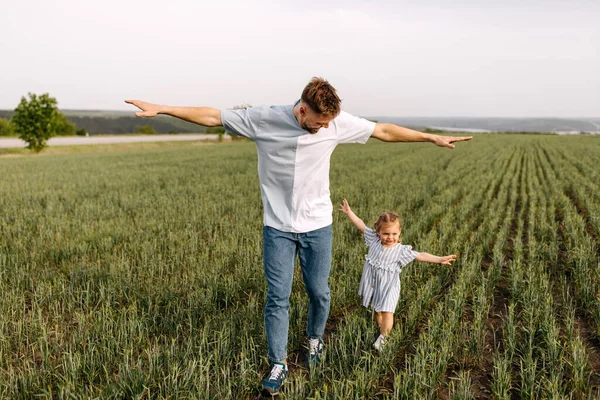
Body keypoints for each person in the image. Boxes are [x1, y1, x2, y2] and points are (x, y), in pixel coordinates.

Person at [125, 77, 471, 396]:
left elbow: (382, 130)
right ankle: (278, 363)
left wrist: (430, 137)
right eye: (319, 122)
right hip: (277, 228)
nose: (324, 128)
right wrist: (164, 108)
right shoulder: (263, 119)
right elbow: (214, 115)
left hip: (318, 226)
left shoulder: (335, 123)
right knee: (278, 296)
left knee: (319, 292)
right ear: (303, 109)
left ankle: (314, 340)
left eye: (328, 124)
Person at [338, 199, 456, 351]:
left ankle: (384, 338)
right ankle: (381, 327)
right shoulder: (373, 240)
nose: (390, 237)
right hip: (373, 283)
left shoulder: (401, 250)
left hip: (389, 286)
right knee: (377, 310)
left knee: (388, 311)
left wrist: (439, 259)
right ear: (378, 232)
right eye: (385, 233)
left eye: (394, 234)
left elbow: (420, 255)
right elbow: (361, 225)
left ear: (399, 232)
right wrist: (349, 213)